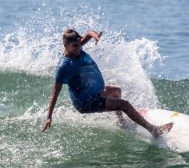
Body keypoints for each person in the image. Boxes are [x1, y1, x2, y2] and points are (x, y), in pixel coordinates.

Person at [42, 28, 173, 137]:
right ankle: (154, 131)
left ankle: (121, 123)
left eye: (79, 44)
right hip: (86, 102)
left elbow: (88, 33)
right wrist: (49, 117)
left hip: (94, 92)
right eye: (75, 46)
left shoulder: (76, 47)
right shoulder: (64, 66)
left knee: (116, 92)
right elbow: (55, 93)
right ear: (65, 45)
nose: (79, 48)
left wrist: (95, 36)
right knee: (124, 104)